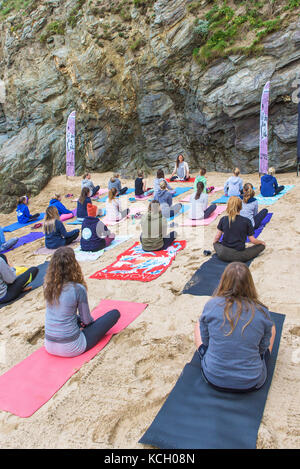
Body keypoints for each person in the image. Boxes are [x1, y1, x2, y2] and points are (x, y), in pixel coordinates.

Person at [194, 262, 276, 392]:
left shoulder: (212, 305)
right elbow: (262, 348)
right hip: (251, 381)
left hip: (214, 377)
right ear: (250, 284)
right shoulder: (262, 311)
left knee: (199, 324)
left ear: (223, 281)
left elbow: (206, 341)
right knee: (271, 327)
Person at [43, 246, 120, 358]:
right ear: (73, 265)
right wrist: (87, 323)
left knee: (72, 318)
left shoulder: (47, 286)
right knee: (114, 314)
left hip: (49, 345)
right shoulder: (77, 289)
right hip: (72, 347)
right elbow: (87, 320)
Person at [213, 196, 266, 262]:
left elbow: (217, 237)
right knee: (261, 246)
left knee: (215, 244)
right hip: (239, 255)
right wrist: (262, 242)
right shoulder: (246, 221)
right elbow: (252, 240)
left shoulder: (223, 219)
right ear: (240, 207)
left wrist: (216, 243)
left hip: (223, 254)